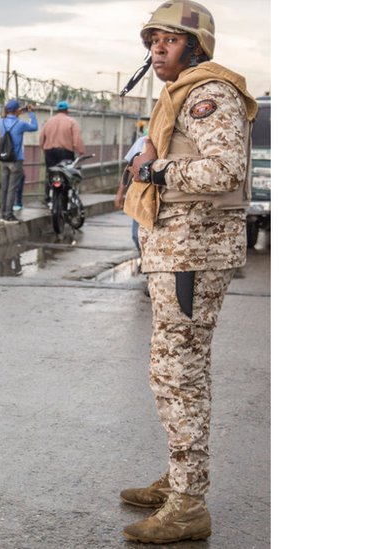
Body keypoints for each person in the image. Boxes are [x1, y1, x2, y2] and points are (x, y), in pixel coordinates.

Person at [118, 1, 258, 543]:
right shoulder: (180, 93)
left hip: (193, 255)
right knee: (173, 371)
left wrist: (153, 168)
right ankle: (181, 478)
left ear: (196, 47)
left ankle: (188, 502)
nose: (157, 48)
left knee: (180, 374)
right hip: (179, 251)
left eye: (169, 41)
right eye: (152, 40)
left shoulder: (207, 93)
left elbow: (226, 169)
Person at [0, 98, 38, 223]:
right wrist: (30, 113)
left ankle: (3, 213)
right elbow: (34, 127)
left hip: (4, 159)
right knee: (12, 188)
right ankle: (9, 215)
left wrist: (15, 113)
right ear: (16, 110)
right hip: (16, 159)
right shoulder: (20, 124)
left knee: (4, 187)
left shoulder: (1, 122)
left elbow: (8, 117)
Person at [39, 100, 85, 205]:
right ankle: (64, 199)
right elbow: (77, 140)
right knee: (66, 175)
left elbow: (42, 138)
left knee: (50, 173)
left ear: (57, 110)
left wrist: (43, 148)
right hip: (66, 153)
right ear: (67, 110)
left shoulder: (49, 122)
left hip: (50, 152)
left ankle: (47, 197)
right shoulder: (72, 122)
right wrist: (81, 152)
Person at [115, 130, 148, 253]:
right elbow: (128, 169)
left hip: (158, 196)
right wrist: (120, 194)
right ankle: (143, 258)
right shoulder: (142, 142)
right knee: (136, 235)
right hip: (140, 196)